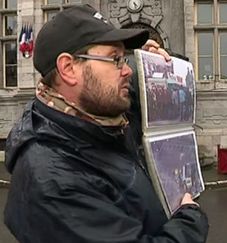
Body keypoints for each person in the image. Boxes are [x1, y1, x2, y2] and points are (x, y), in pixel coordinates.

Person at [4, 4, 208, 243]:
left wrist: (158, 67)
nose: (128, 71)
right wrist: (190, 220)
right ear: (69, 69)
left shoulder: (99, 114)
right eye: (115, 60)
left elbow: (151, 97)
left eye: (125, 58)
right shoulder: (53, 181)